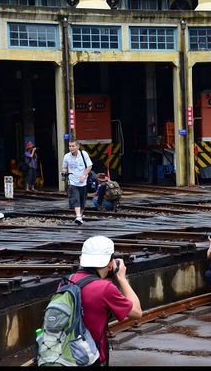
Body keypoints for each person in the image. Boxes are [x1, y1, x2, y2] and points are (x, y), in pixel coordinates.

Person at [70, 235, 142, 365]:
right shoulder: (105, 288)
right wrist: (121, 278)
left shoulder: (69, 280)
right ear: (110, 264)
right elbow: (136, 312)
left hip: (68, 353)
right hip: (91, 357)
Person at [61, 140, 93, 225]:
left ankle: (80, 217)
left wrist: (83, 176)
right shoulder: (66, 156)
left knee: (82, 200)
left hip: (83, 182)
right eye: (70, 146)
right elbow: (64, 167)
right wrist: (64, 172)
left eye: (73, 146)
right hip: (72, 182)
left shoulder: (83, 154)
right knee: (75, 198)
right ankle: (78, 216)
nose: (71, 148)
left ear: (78, 146)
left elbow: (89, 166)